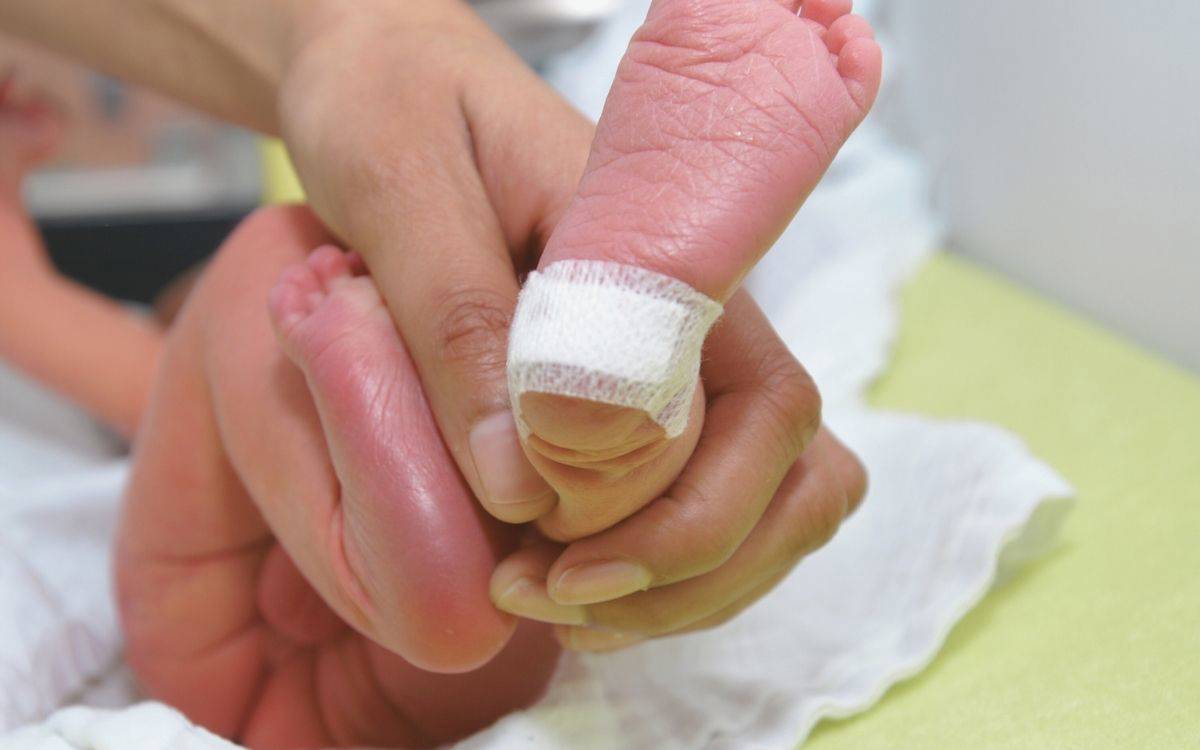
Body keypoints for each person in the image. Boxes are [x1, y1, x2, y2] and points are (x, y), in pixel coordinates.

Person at [0, 0, 874, 745]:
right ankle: (618, 321)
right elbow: (131, 378)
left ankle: (606, 361)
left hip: (414, 634)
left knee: (548, 502)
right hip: (240, 638)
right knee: (272, 258)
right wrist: (327, 330)